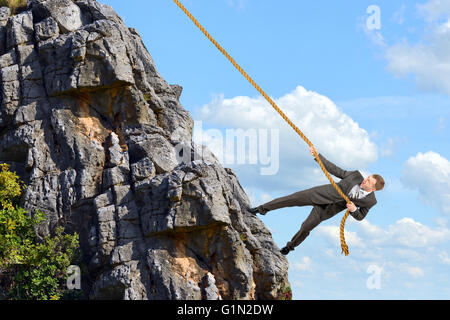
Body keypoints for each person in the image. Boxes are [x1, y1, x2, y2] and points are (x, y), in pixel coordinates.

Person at [248, 146, 385, 255]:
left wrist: (354, 210)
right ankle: (261, 209)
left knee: (306, 227)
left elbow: (360, 216)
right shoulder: (356, 176)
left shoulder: (370, 201)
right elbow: (336, 170)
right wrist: (318, 156)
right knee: (290, 199)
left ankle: (290, 247)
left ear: (372, 189)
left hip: (326, 211)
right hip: (319, 194)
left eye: (368, 182)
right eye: (367, 178)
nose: (365, 180)